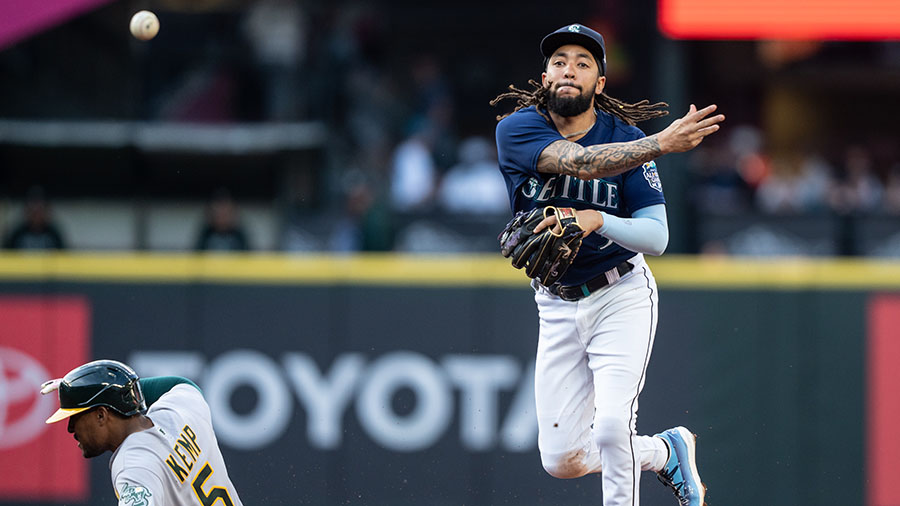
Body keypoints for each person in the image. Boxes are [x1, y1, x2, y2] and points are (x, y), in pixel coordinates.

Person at [491, 24, 724, 506]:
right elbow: (580, 163)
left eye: (583, 62)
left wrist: (599, 219)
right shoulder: (517, 129)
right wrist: (659, 143)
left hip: (621, 293)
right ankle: (665, 452)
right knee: (561, 459)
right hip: (556, 301)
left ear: (600, 82)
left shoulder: (626, 136)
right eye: (559, 61)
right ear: (544, 76)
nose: (569, 69)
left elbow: (657, 237)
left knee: (614, 424)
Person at [42, 359, 243, 505]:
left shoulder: (133, 465)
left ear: (101, 415)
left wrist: (99, 392)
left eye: (75, 417)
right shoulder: (181, 411)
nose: (70, 428)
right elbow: (183, 384)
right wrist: (98, 391)